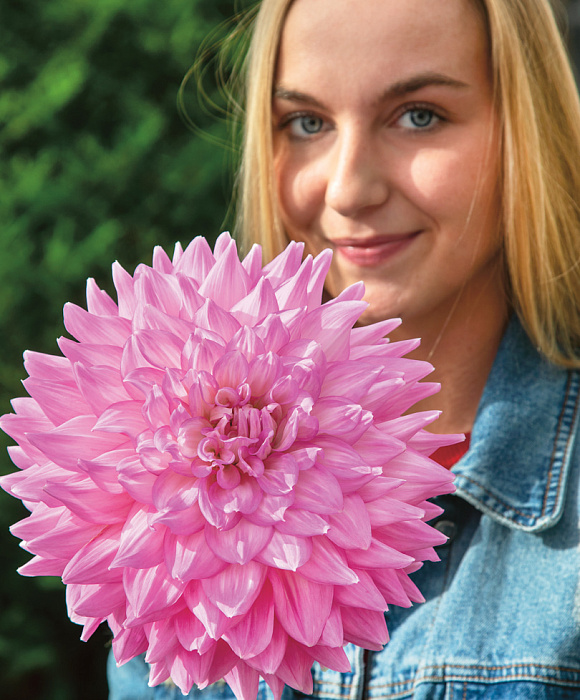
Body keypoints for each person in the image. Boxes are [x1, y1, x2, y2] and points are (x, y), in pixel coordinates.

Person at [108, 0, 580, 697]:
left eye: (419, 115)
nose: (349, 189)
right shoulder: (153, 492)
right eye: (307, 123)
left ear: (526, 131)